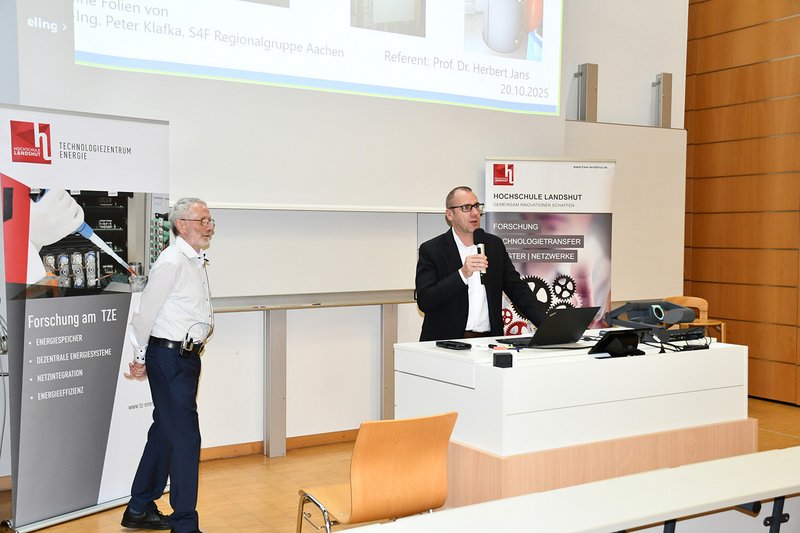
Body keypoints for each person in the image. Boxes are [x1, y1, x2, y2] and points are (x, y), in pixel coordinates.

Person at [121, 198, 215, 533]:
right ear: (181, 225)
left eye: (209, 220)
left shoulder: (193, 260)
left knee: (165, 431)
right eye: (202, 220)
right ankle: (185, 524)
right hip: (170, 358)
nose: (209, 226)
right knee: (186, 439)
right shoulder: (172, 261)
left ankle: (139, 506)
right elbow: (145, 314)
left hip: (185, 358)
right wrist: (141, 357)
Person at [415, 186, 545, 342]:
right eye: (466, 208)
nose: (475, 213)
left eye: (476, 206)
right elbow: (426, 301)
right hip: (446, 343)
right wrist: (462, 274)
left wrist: (547, 325)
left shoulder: (493, 245)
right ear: (450, 214)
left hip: (488, 342)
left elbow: (517, 289)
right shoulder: (432, 250)